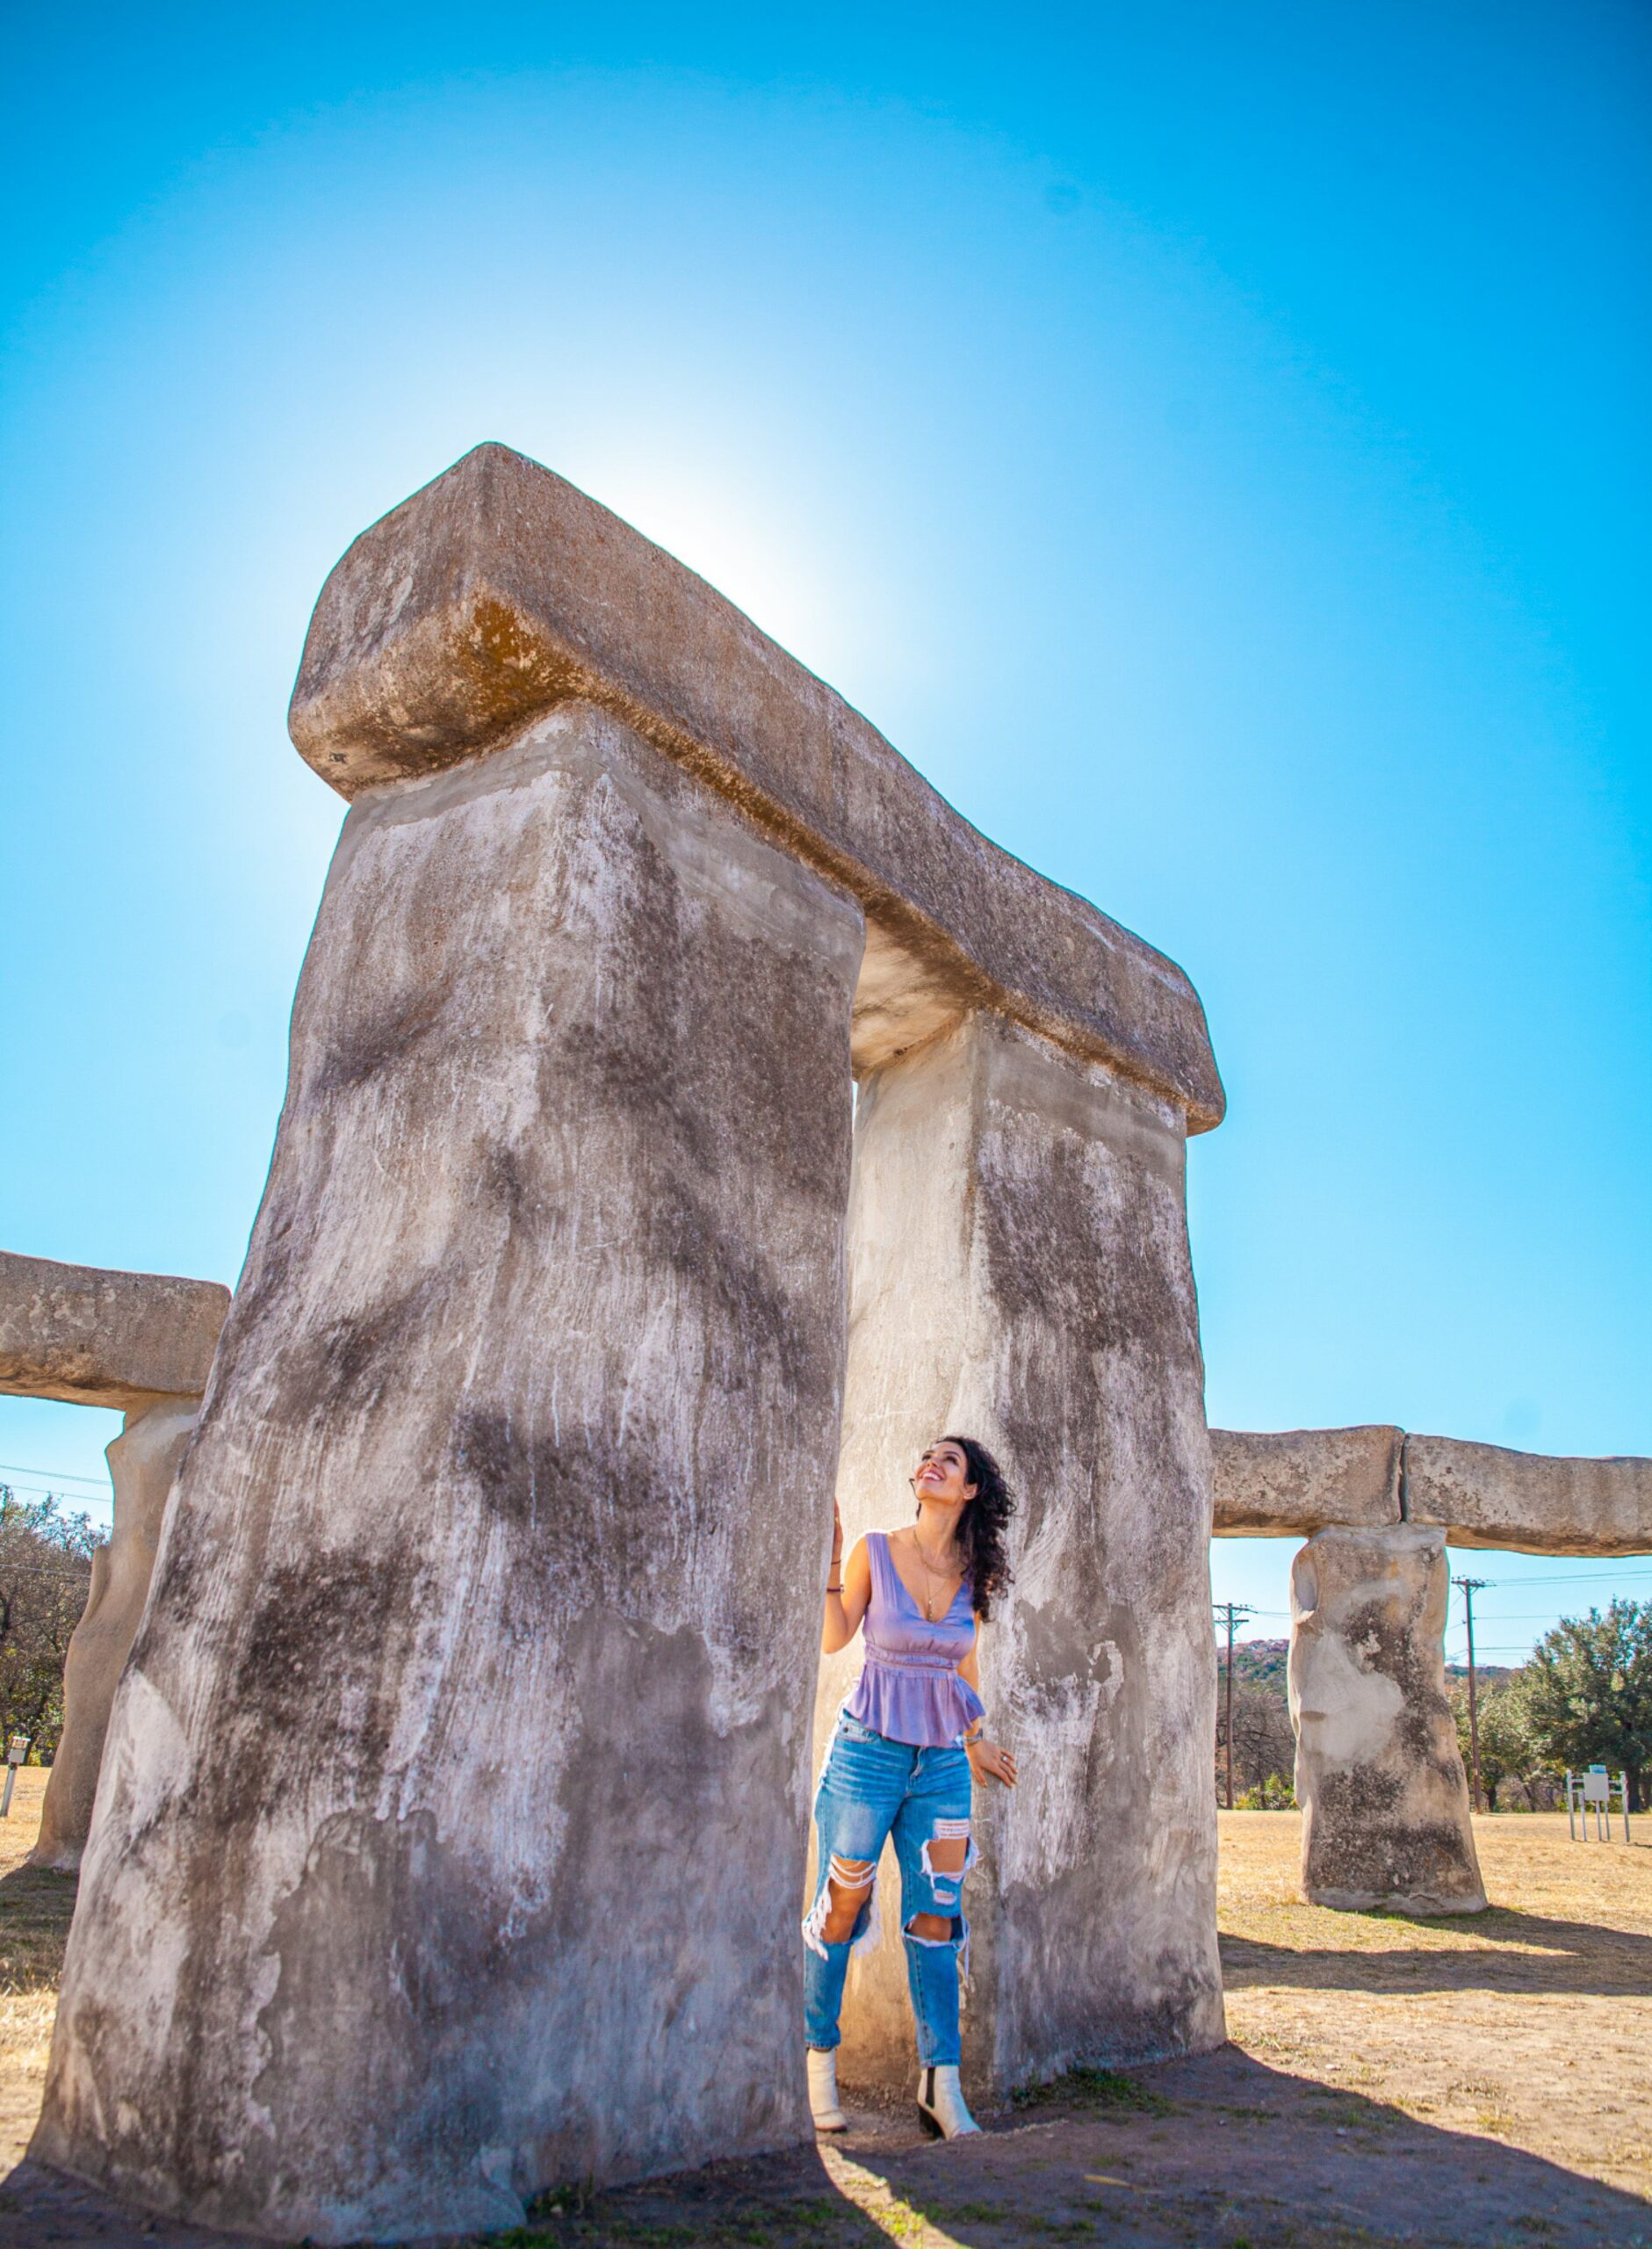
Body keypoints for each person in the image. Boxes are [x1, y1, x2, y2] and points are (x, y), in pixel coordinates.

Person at [803, 1435, 1019, 2141]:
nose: (931, 1463)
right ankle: (816, 2065)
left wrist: (977, 1735)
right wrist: (832, 1559)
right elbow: (835, 1637)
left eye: (948, 1461)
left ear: (968, 1491)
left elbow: (965, 1665)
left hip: (942, 1768)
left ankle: (940, 2085)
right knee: (840, 1908)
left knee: (937, 1919)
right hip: (866, 1752)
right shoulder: (874, 1547)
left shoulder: (972, 1573)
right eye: (926, 1455)